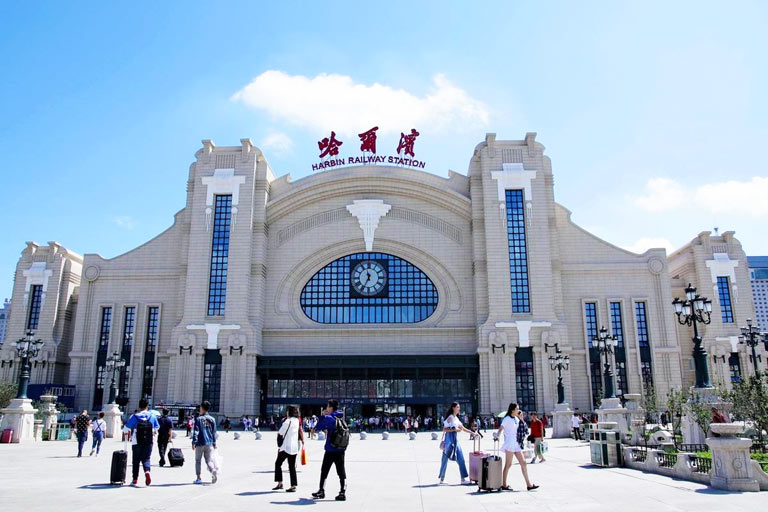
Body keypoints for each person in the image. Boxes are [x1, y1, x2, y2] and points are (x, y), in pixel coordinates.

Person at [312, 399, 348, 501]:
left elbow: (318, 427)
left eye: (327, 407)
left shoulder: (329, 418)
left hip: (330, 449)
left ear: (331, 407)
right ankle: (342, 492)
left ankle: (321, 491)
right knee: (341, 471)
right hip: (341, 450)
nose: (326, 408)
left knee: (324, 470)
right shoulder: (341, 417)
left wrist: (322, 415)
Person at [497, 403, 538, 491]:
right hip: (510, 442)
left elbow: (525, 428)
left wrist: (521, 418)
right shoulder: (507, 419)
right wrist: (497, 435)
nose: (518, 410)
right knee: (508, 464)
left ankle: (529, 484)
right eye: (517, 409)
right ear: (512, 410)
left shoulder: (516, 418)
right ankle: (503, 484)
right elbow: (501, 428)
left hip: (517, 442)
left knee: (523, 463)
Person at [124, 398, 160, 486]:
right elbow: (157, 428)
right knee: (146, 458)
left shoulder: (135, 416)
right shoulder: (152, 416)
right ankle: (147, 472)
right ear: (147, 406)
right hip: (149, 440)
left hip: (136, 441)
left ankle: (135, 479)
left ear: (139, 406)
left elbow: (126, 428)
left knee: (136, 460)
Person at [438, 402, 475, 485]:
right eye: (458, 407)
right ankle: (442, 479)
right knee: (445, 459)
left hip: (455, 439)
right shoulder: (451, 417)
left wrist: (473, 433)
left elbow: (463, 428)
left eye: (459, 407)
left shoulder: (456, 418)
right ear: (453, 408)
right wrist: (455, 430)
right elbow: (444, 429)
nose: (459, 409)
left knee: (460, 458)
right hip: (449, 439)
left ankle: (463, 478)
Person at [273, 406, 304, 492]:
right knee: (292, 466)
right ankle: (293, 485)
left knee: (278, 463)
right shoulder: (297, 421)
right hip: (294, 447)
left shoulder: (288, 421)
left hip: (286, 447)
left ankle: (280, 483)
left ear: (289, 412)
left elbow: (280, 432)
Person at [192, 401, 219, 484]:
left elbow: (196, 431)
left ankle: (198, 478)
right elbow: (214, 432)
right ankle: (212, 470)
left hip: (200, 442)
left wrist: (194, 442)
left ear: (202, 408)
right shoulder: (212, 419)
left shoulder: (198, 419)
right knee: (208, 460)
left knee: (198, 460)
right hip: (209, 443)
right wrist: (214, 443)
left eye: (200, 407)